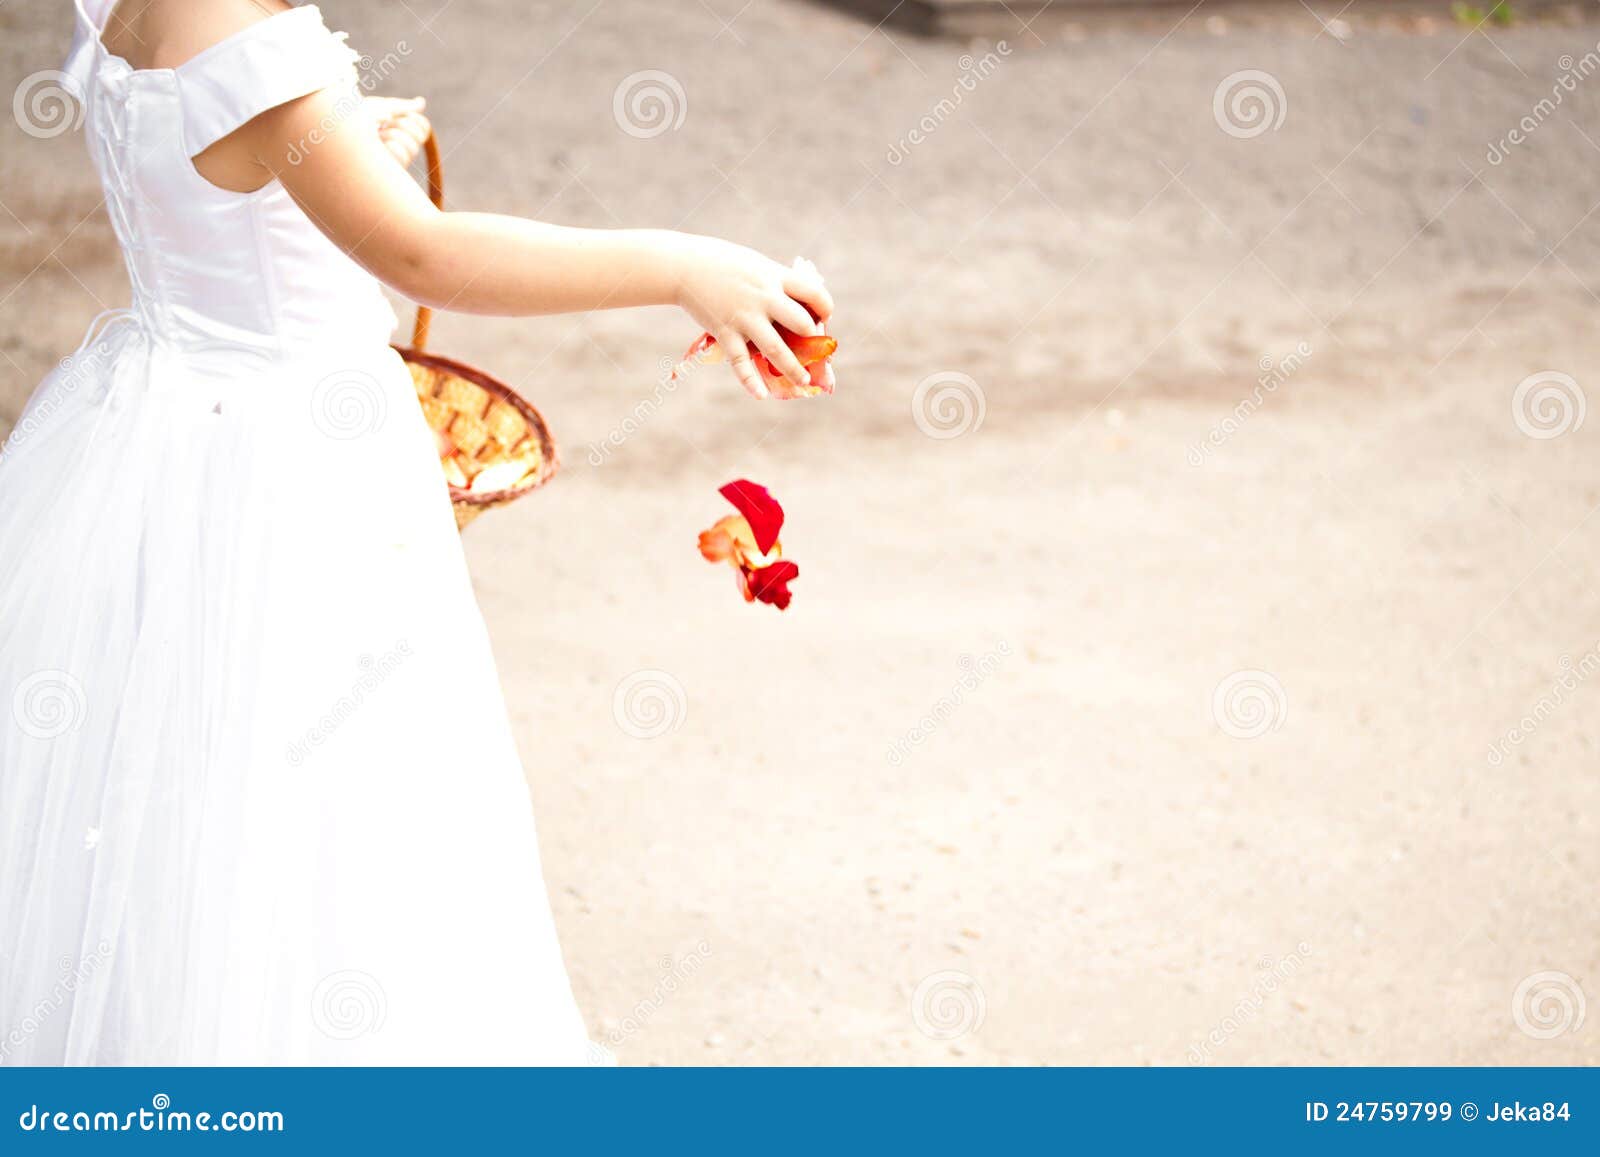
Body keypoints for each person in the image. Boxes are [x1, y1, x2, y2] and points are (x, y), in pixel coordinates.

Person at [0, 0, 832, 1064]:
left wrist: (337, 146)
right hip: (286, 467)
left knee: (169, 780)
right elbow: (426, 255)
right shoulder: (255, 42)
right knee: (330, 807)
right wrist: (683, 268)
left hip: (156, 434)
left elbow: (210, 160)